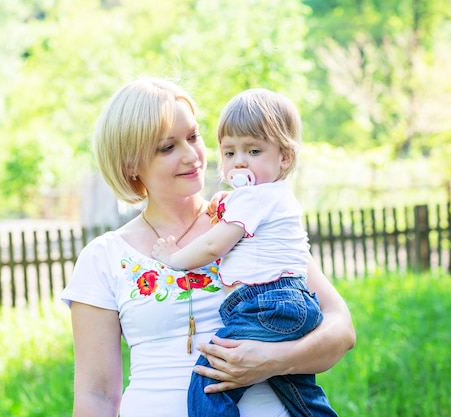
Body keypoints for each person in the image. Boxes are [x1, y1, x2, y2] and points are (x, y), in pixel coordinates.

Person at [60, 77, 355, 417]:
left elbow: (341, 330)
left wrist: (274, 361)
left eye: (193, 136)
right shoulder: (105, 256)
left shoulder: (253, 219)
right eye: (167, 147)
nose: (192, 156)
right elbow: (96, 395)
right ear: (130, 164)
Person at [151, 88, 337, 417]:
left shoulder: (255, 198)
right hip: (287, 304)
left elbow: (213, 245)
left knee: (209, 382)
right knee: (297, 391)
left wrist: (173, 257)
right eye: (229, 152)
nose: (239, 162)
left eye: (253, 150)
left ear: (284, 157)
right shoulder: (266, 197)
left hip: (264, 305)